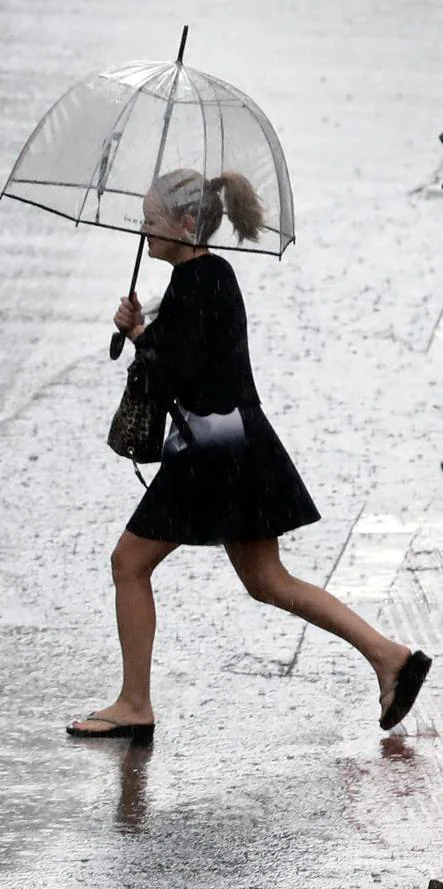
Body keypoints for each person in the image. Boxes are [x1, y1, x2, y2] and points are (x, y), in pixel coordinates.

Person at [67, 168, 432, 742]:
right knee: (267, 579)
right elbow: (191, 360)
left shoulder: (196, 286)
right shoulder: (211, 278)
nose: (143, 232)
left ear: (186, 224)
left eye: (151, 221)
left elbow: (180, 377)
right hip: (240, 447)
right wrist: (142, 332)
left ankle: (135, 702)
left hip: (211, 455)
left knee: (129, 564)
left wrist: (139, 339)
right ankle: (389, 656)